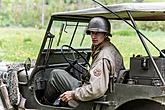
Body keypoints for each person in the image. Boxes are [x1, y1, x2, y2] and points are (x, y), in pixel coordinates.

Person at [42, 16, 125, 105]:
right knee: (76, 68)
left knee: (56, 74)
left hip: (93, 97)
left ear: (105, 34)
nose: (93, 36)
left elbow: (96, 89)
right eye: (92, 33)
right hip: (101, 88)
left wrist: (73, 94)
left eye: (97, 33)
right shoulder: (108, 48)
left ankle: (43, 105)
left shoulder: (103, 57)